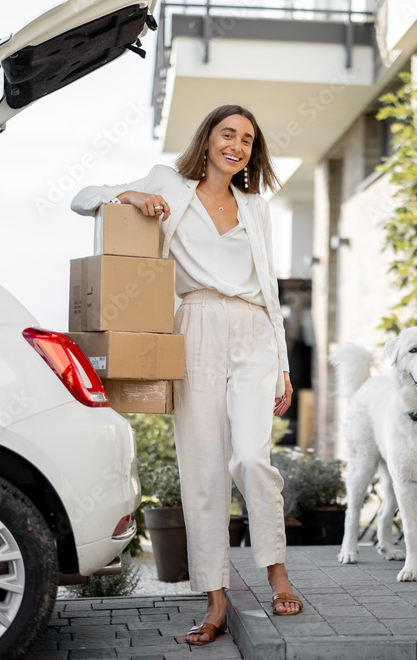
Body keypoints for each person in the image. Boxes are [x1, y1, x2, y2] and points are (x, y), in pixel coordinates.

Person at [71, 105, 303, 646]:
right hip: (195, 326)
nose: (237, 145)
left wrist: (284, 366)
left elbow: (269, 289)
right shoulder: (167, 183)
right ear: (209, 138)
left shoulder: (255, 207)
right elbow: (82, 198)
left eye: (247, 139)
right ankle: (216, 600)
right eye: (228, 134)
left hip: (253, 333)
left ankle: (276, 570)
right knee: (202, 471)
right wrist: (129, 198)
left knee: (250, 456)